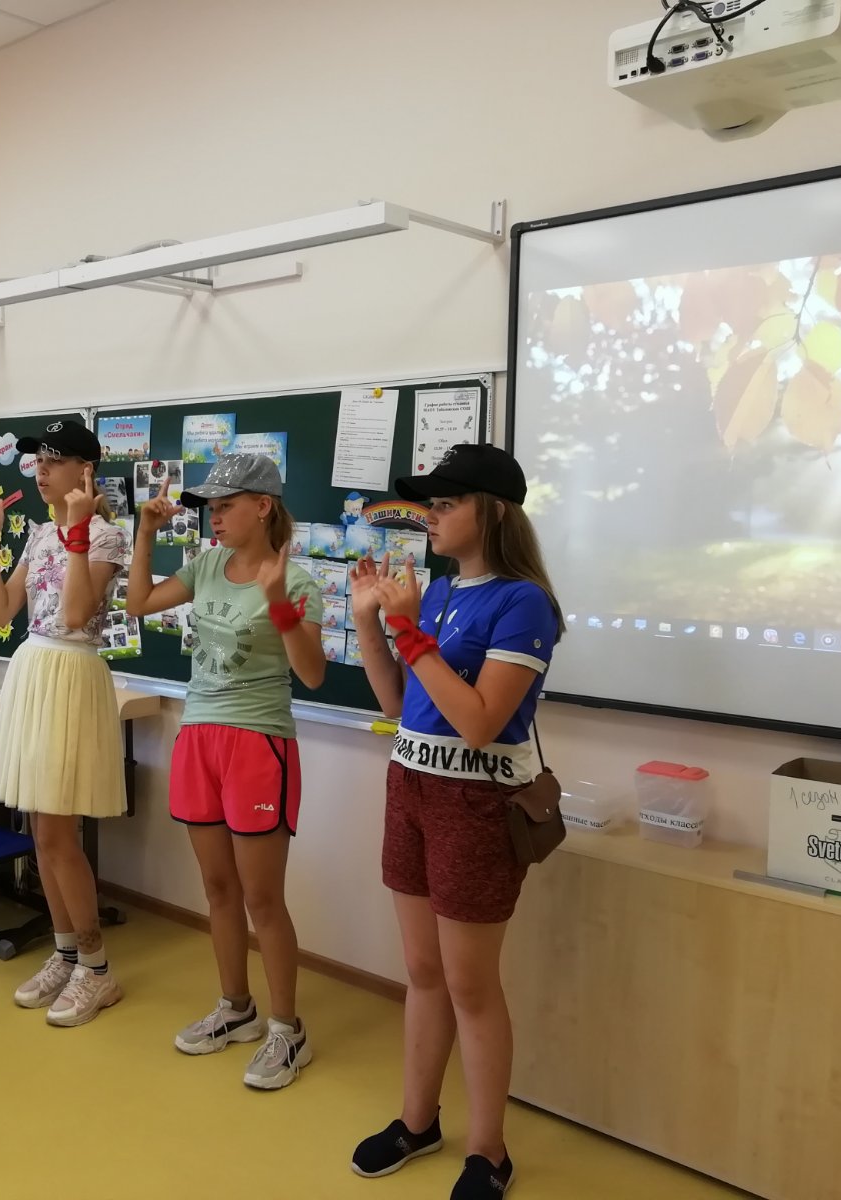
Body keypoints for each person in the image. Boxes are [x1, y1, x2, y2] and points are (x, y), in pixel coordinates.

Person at [346, 444, 564, 1199]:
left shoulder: (523, 603)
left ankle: (489, 1152)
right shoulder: (436, 592)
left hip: (475, 804)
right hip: (410, 785)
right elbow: (395, 701)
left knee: (470, 985)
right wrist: (371, 624)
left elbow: (478, 722)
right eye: (429, 506)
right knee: (422, 971)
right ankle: (418, 1121)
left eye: (445, 504)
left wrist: (409, 632)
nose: (430, 518)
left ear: (493, 511)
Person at [126, 452, 326, 1090]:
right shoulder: (208, 564)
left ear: (262, 506)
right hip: (199, 736)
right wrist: (146, 533)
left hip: (259, 743)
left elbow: (313, 674)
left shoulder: (297, 582)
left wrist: (279, 602)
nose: (213, 517)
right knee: (217, 888)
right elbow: (137, 603)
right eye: (209, 508)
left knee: (263, 898)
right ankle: (236, 1008)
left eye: (225, 506)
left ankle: (287, 1030)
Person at [0, 419, 129, 1028]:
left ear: (85, 470)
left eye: (54, 460)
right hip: (33, 670)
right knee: (42, 833)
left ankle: (97, 968)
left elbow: (76, 612)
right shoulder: (39, 535)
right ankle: (66, 954)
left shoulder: (107, 537)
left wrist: (80, 532)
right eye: (37, 460)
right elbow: (0, 612)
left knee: (62, 835)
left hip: (72, 673)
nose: (41, 469)